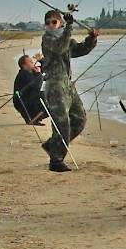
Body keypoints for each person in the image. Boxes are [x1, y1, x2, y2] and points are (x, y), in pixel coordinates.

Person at [39, 9, 98, 172]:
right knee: (61, 124)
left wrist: (91, 38)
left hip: (68, 85)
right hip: (54, 86)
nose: (50, 25)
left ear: (60, 22)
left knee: (79, 120)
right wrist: (69, 27)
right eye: (47, 22)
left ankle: (53, 145)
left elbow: (81, 49)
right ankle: (56, 160)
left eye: (54, 22)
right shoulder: (47, 39)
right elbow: (59, 48)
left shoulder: (66, 38)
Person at [14, 53, 48, 124]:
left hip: (28, 100)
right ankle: (32, 118)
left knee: (48, 95)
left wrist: (41, 60)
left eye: (32, 61)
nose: (33, 63)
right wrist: (39, 74)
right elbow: (37, 86)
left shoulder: (30, 71)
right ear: (24, 65)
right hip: (22, 103)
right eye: (30, 62)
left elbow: (47, 69)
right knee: (47, 97)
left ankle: (33, 118)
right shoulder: (23, 74)